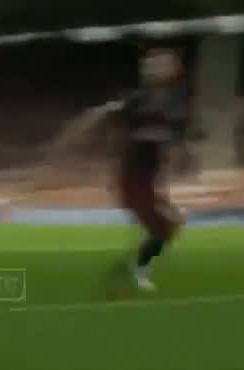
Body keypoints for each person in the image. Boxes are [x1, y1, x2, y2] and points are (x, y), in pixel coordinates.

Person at [54, 46, 189, 292]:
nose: (158, 68)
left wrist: (178, 156)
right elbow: (102, 113)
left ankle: (132, 270)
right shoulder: (137, 101)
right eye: (154, 64)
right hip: (132, 178)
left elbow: (174, 141)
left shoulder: (174, 106)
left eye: (165, 63)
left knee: (171, 225)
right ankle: (136, 272)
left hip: (149, 180)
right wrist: (75, 135)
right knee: (161, 227)